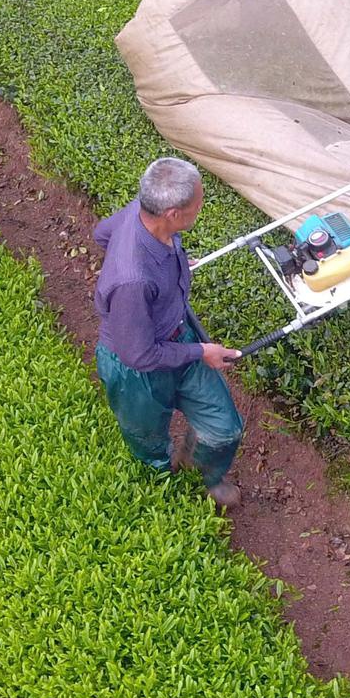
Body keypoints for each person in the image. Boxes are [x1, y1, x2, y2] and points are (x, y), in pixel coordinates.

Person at [91, 156, 246, 507]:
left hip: (178, 337)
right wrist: (201, 352)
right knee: (147, 438)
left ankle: (196, 464)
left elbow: (101, 233)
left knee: (225, 429)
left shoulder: (145, 215)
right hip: (135, 370)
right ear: (172, 214)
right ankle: (161, 476)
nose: (202, 207)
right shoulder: (132, 281)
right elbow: (139, 354)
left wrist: (167, 265)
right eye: (198, 204)